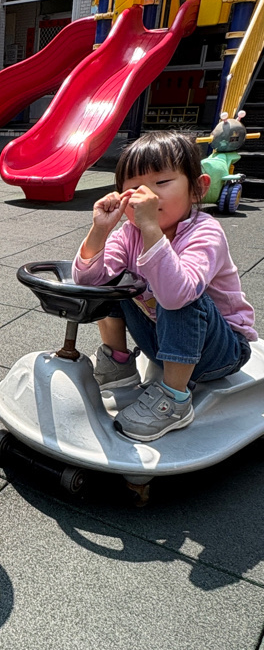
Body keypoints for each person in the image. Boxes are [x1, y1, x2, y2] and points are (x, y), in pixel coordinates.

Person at [73, 130, 256, 442]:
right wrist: (99, 231)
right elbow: (88, 282)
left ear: (197, 189)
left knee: (178, 294)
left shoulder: (204, 233)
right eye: (134, 188)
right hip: (162, 339)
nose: (147, 195)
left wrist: (149, 226)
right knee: (111, 284)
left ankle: (174, 400)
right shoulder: (128, 234)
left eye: (161, 182)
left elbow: (176, 295)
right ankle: (118, 364)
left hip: (220, 352)